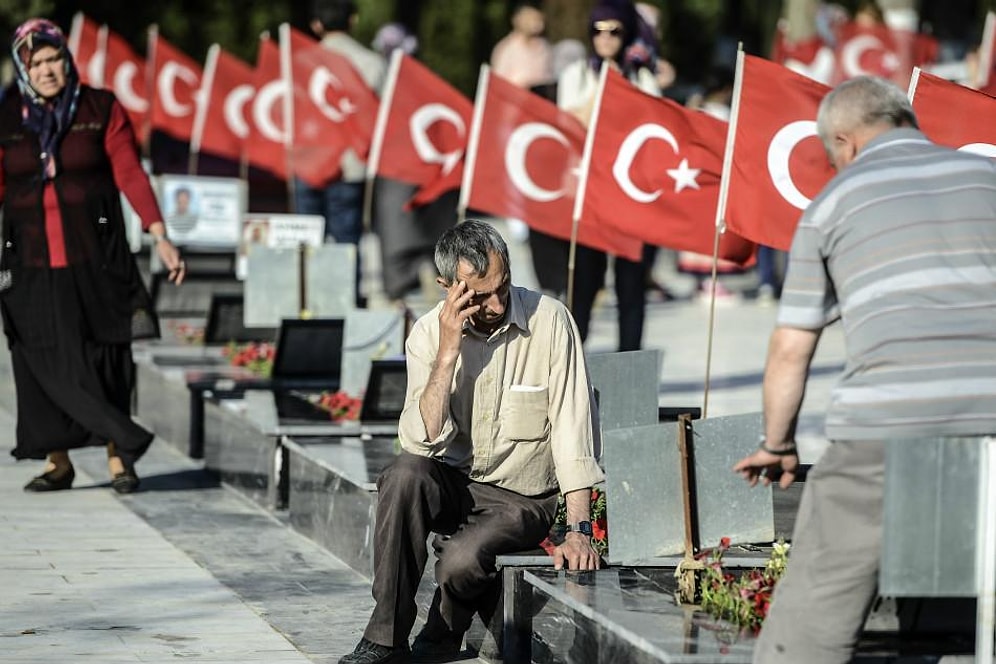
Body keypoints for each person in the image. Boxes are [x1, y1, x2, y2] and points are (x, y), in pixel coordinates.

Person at [732, 76, 996, 664]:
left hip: (887, 424)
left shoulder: (833, 203)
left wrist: (777, 443)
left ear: (845, 144)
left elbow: (791, 348)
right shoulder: (988, 176)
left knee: (811, 617)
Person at [339, 220, 604, 664]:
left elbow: (574, 430)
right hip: (457, 485)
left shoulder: (551, 320)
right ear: (448, 287)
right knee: (402, 474)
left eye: (503, 285)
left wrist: (578, 531)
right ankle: (385, 637)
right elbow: (420, 442)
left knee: (460, 561)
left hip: (522, 500)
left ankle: (443, 626)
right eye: (479, 296)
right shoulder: (427, 334)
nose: (497, 303)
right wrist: (448, 354)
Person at [0, 18, 185, 494]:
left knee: (104, 355)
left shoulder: (100, 107)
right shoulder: (7, 114)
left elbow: (129, 172)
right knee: (37, 358)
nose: (46, 70)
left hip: (96, 258)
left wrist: (159, 233)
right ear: (23, 69)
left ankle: (117, 457)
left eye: (52, 59)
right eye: (34, 62)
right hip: (29, 263)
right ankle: (57, 462)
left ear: (68, 59)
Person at [557, 0, 661, 351]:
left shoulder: (642, 76)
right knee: (584, 282)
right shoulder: (578, 74)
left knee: (631, 285)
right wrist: (607, 87)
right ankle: (571, 362)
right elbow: (572, 125)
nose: (605, 38)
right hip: (590, 192)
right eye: (598, 31)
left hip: (630, 193)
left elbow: (656, 129)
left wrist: (628, 87)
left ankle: (631, 362)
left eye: (614, 31)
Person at [298, 0, 386, 306]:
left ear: (316, 25)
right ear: (353, 20)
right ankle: (347, 302)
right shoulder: (372, 63)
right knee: (348, 239)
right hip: (352, 164)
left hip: (307, 162)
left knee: (304, 239)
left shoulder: (298, 62)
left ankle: (307, 301)